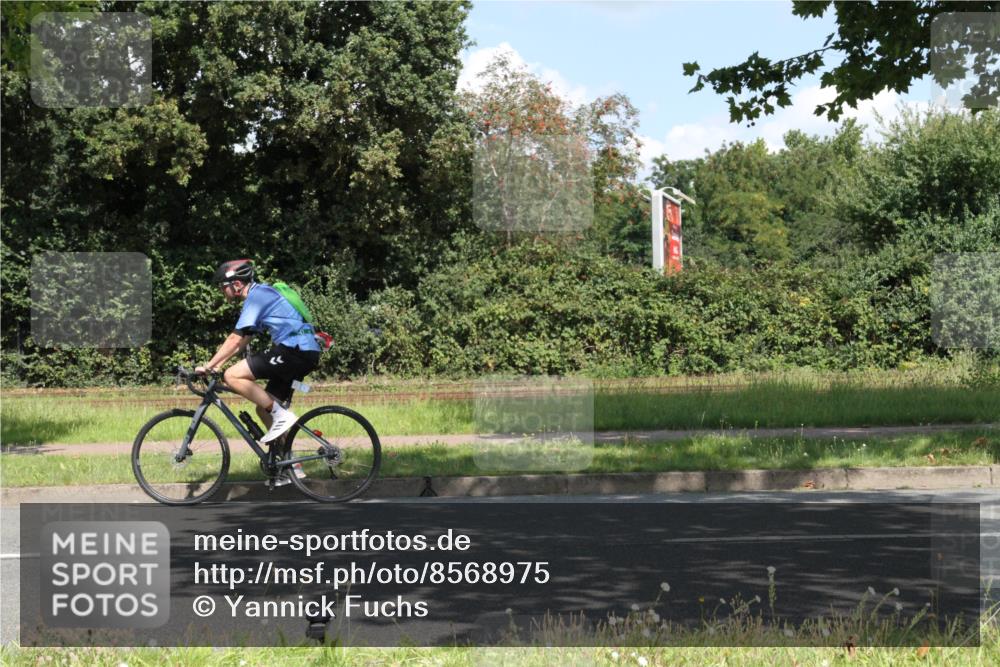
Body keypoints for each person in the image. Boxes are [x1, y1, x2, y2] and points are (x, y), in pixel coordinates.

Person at [196, 259, 321, 447]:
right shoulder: (262, 294)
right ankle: (291, 467)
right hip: (303, 352)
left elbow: (234, 339)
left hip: (295, 350)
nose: (221, 291)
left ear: (237, 284)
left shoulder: (257, 297)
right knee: (264, 410)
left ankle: (281, 415)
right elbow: (244, 338)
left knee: (232, 375)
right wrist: (217, 365)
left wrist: (208, 366)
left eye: (223, 286)